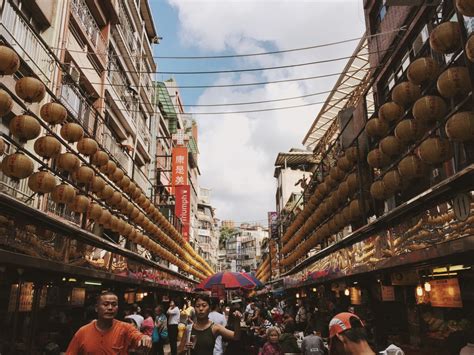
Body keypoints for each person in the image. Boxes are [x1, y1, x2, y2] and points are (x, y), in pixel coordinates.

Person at [66, 291, 152, 354]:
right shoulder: (83, 332)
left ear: (117, 308)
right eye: (106, 304)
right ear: (96, 308)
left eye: (114, 304)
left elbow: (138, 336)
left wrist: (145, 338)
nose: (110, 308)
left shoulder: (126, 328)